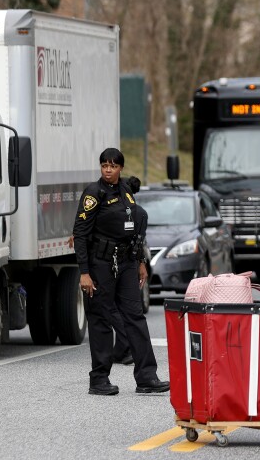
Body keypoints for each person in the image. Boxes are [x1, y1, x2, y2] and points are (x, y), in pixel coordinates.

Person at [73, 148, 169, 396]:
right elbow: (80, 234)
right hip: (101, 262)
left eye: (113, 166)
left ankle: (147, 377)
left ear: (120, 169)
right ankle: (99, 379)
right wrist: (85, 272)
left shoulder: (125, 190)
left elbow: (135, 228)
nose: (108, 169)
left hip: (127, 261)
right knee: (101, 319)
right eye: (104, 165)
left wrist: (140, 262)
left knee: (135, 317)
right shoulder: (93, 194)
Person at [109, 175, 149, 366]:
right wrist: (141, 264)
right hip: (132, 262)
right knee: (129, 309)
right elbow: (140, 242)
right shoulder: (141, 213)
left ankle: (125, 347)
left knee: (111, 307)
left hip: (113, 262)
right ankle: (123, 350)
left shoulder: (117, 210)